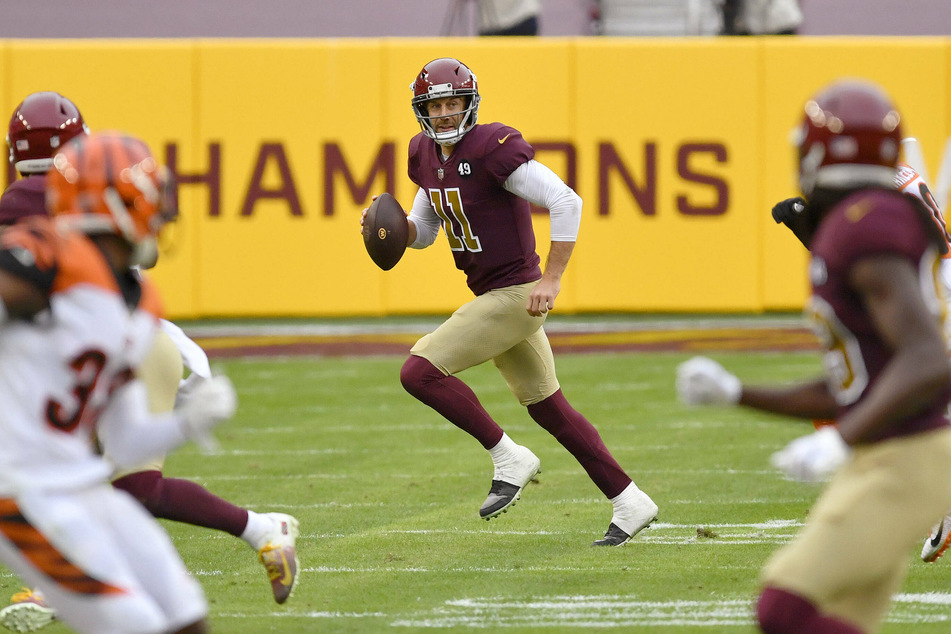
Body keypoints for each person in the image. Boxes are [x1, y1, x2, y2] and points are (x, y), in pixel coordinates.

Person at [0, 93, 299, 632]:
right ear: (116, 204)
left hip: (80, 483)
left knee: (187, 615)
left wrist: (188, 423)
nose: (160, 214)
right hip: (23, 493)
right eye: (149, 199)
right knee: (136, 621)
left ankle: (260, 531)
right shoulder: (45, 255)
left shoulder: (139, 302)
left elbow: (128, 434)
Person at [676, 79, 951, 633]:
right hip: (886, 453)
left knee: (784, 607)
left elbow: (928, 359)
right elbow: (852, 385)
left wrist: (839, 436)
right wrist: (737, 393)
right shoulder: (866, 217)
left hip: (907, 455)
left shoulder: (867, 222)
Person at [361, 57, 658, 546]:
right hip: (493, 296)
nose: (444, 115)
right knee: (550, 409)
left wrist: (553, 278)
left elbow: (567, 201)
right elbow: (426, 232)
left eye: (452, 103)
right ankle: (629, 501)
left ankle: (508, 456)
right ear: (422, 110)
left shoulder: (491, 149)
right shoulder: (424, 155)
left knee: (418, 371)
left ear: (469, 103)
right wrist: (389, 231)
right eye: (435, 106)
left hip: (517, 294)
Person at [773, 151, 951, 566]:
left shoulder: (872, 193)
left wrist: (805, 226)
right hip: (934, 284)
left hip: (930, 295)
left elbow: (857, 254)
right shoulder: (895, 178)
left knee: (878, 396)